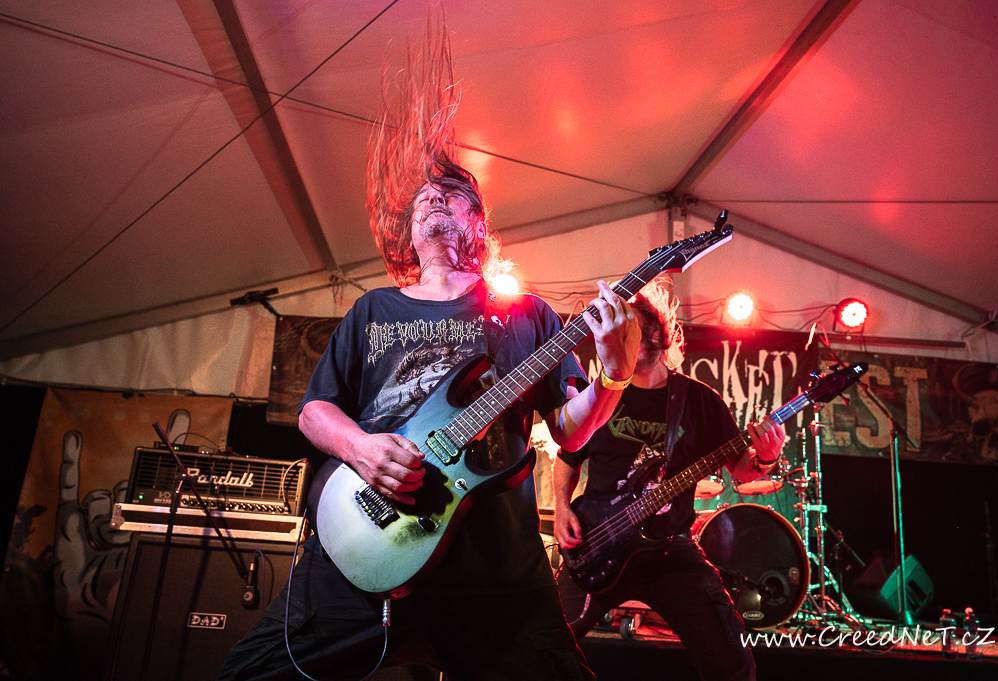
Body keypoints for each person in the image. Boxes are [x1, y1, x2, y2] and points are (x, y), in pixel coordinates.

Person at [217, 18, 639, 681]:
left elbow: (571, 431)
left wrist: (614, 374)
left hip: (494, 573)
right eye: (423, 199)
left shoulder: (528, 315)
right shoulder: (372, 309)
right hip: (365, 548)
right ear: (411, 235)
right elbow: (315, 412)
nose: (433, 197)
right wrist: (363, 449)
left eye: (453, 195)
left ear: (478, 224)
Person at [552, 278, 785, 681]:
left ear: (659, 335)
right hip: (595, 543)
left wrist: (766, 456)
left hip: (669, 553)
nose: (621, 339)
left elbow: (741, 469)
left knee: (731, 661)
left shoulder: (699, 401)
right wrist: (560, 508)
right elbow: (568, 457)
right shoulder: (601, 395)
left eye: (631, 330)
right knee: (545, 650)